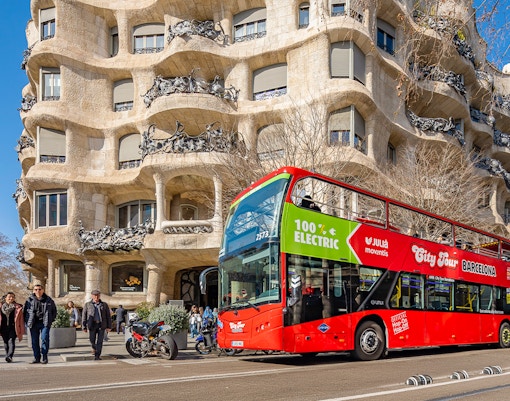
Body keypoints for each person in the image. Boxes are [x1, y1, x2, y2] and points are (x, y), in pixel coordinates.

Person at [23, 284, 57, 364]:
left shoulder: (49, 300)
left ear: (43, 290)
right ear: (33, 291)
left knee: (44, 338)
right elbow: (25, 312)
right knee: (34, 341)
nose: (38, 291)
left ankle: (44, 357)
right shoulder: (29, 300)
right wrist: (27, 321)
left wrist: (50, 320)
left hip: (44, 323)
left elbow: (54, 311)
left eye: (39, 289)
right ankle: (36, 357)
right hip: (33, 323)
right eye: (36, 289)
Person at [82, 289, 111, 360]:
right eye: (95, 295)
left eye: (98, 295)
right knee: (92, 340)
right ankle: (94, 348)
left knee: (100, 341)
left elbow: (108, 316)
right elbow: (84, 315)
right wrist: (84, 326)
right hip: (92, 325)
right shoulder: (88, 304)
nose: (96, 297)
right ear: (92, 296)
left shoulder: (104, 305)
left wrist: (109, 326)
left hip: (101, 324)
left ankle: (97, 356)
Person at [0, 292, 24, 363]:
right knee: (5, 342)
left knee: (11, 341)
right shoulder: (1, 307)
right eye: (9, 297)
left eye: (13, 297)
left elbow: (21, 320)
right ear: (5, 298)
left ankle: (10, 356)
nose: (11, 298)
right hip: (3, 327)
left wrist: (21, 329)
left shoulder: (17, 307)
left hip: (13, 328)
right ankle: (8, 356)